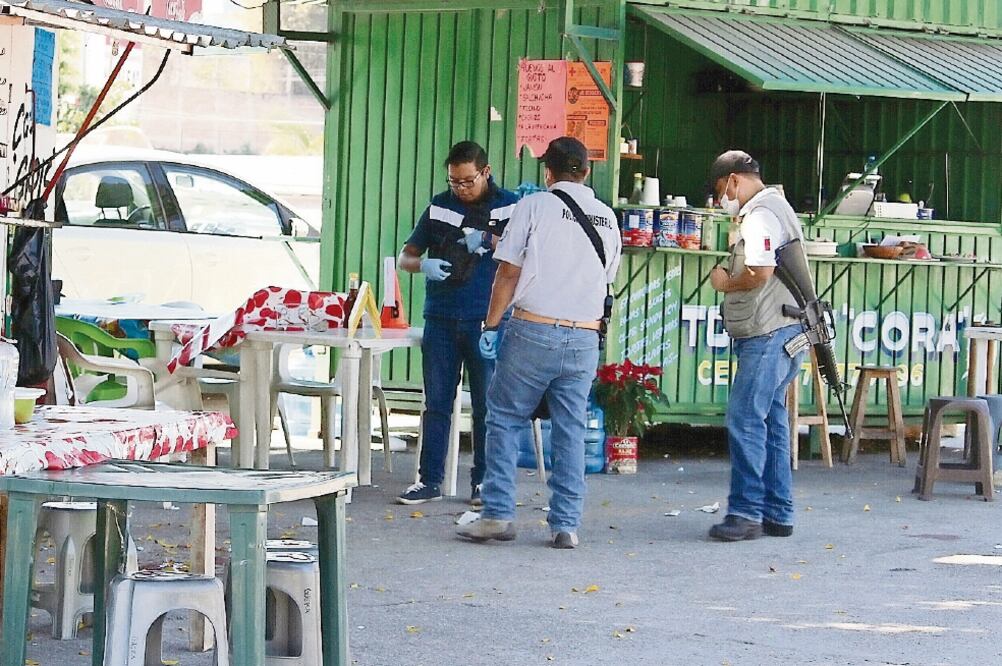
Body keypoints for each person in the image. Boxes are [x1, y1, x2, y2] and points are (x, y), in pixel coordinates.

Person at [457, 137, 622, 549]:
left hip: (533, 330)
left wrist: (490, 325)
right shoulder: (607, 217)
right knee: (569, 428)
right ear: (586, 171)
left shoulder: (533, 206)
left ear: (547, 172)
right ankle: (566, 525)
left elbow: (508, 273)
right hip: (586, 336)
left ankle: (497, 513)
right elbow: (606, 278)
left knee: (505, 417)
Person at [396, 141, 518, 506]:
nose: (461, 189)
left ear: (486, 171)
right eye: (454, 182)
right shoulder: (439, 205)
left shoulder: (510, 205)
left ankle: (483, 482)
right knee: (437, 402)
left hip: (488, 319)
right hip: (441, 317)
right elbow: (407, 256)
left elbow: (525, 253)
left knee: (487, 405)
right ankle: (429, 480)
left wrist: (489, 240)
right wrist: (423, 267)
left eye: (467, 181)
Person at [705, 150, 808, 542]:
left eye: (721, 190)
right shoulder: (778, 208)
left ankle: (746, 512)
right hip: (784, 331)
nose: (721, 200)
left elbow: (760, 271)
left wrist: (724, 283)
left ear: (734, 179)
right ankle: (777, 513)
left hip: (768, 333)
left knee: (745, 418)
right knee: (772, 422)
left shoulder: (761, 214)